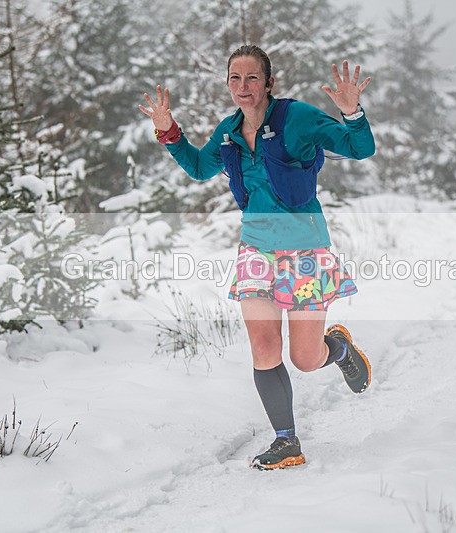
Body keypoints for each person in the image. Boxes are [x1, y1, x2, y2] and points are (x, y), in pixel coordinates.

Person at [138, 45, 374, 470]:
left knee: (305, 359)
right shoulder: (228, 131)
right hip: (255, 249)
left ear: (268, 82)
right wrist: (168, 131)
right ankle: (287, 441)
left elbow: (360, 149)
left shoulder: (297, 117)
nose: (243, 87)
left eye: (251, 78)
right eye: (234, 78)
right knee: (264, 345)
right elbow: (198, 167)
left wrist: (352, 114)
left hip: (305, 249)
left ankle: (338, 350)